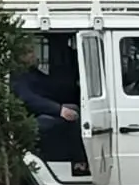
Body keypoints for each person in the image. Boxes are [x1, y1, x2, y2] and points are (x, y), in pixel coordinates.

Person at [12, 45, 88, 174]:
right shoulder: (18, 76)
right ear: (20, 57)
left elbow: (50, 87)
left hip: (40, 112)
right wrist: (59, 110)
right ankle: (79, 161)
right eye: (29, 52)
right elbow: (28, 99)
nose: (34, 56)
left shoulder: (32, 72)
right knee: (72, 114)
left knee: (74, 107)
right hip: (29, 119)